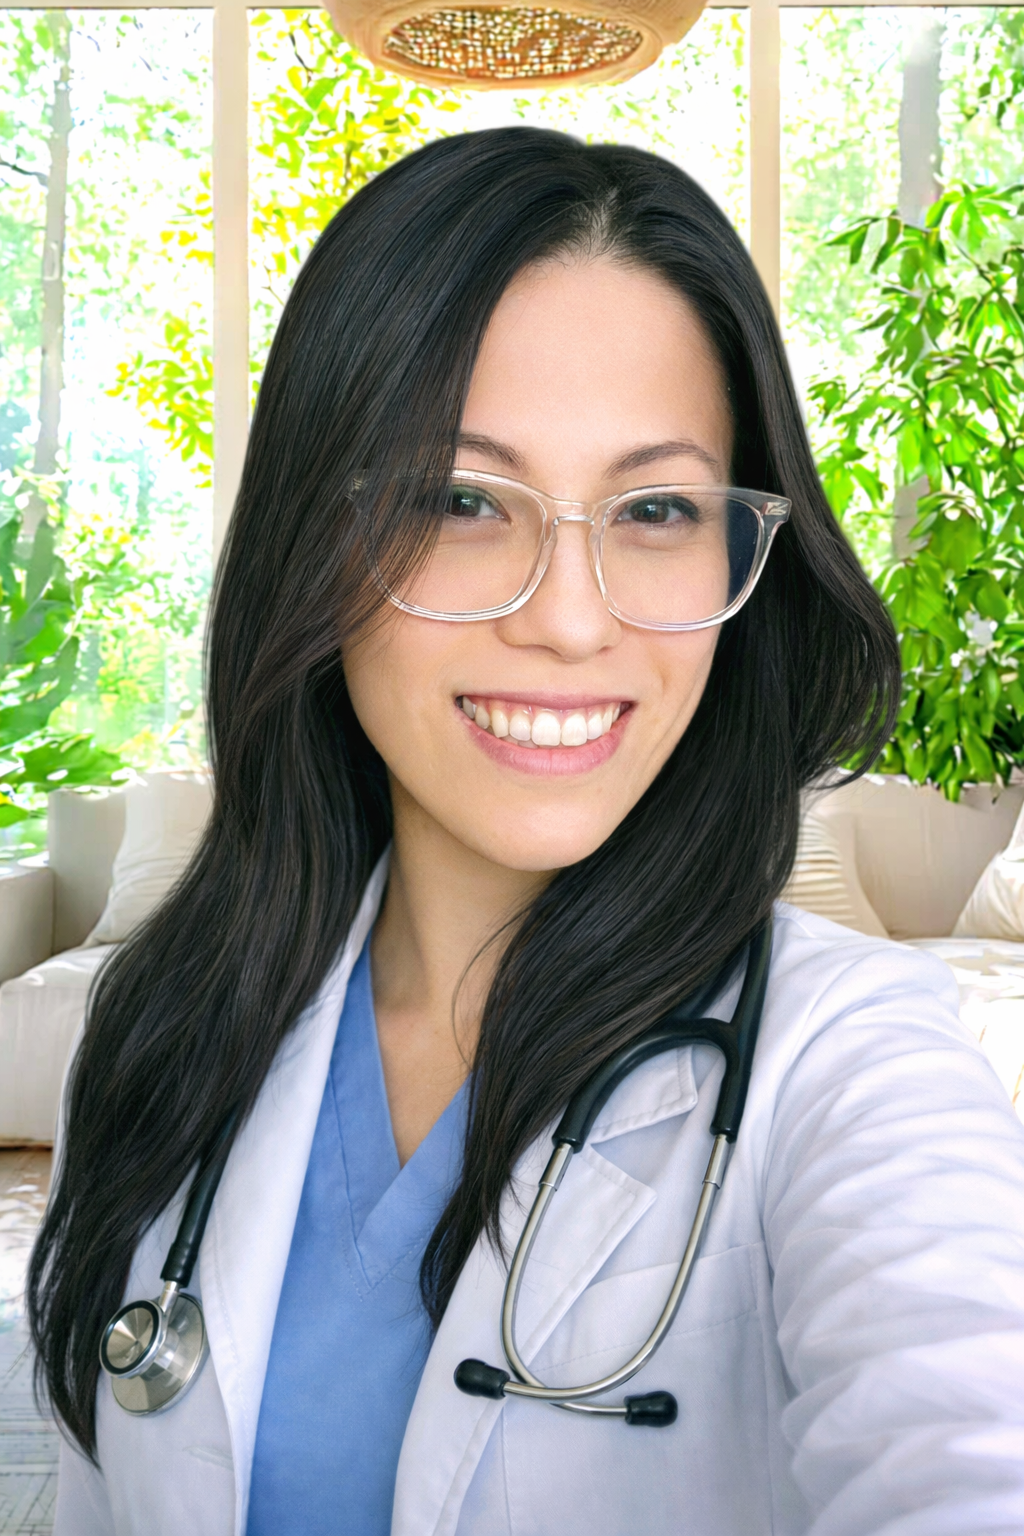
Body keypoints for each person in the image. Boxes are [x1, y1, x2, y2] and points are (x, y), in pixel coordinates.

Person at [31, 127, 1024, 1536]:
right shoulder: (162, 1032)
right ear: (316, 537)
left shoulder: (855, 1070)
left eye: (659, 507)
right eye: (461, 500)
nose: (567, 616)